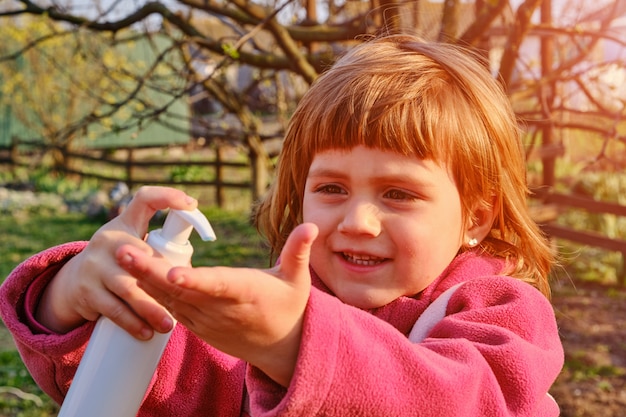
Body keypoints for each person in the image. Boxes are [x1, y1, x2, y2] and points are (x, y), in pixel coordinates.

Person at [0, 34, 564, 416]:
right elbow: (172, 384)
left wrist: (298, 344)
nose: (358, 221)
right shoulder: (284, 304)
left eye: (399, 193)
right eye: (331, 189)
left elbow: (460, 400)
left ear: (476, 216)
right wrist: (75, 302)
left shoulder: (500, 314)